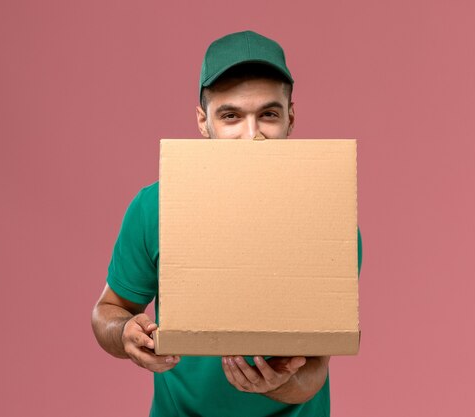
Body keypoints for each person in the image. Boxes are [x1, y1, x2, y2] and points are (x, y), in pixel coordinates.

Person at [92, 30, 363, 416]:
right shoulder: (155, 207)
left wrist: (282, 383)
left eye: (268, 114)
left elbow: (317, 366)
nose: (251, 136)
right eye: (231, 116)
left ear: (291, 117)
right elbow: (108, 310)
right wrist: (124, 334)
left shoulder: (329, 223)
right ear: (204, 121)